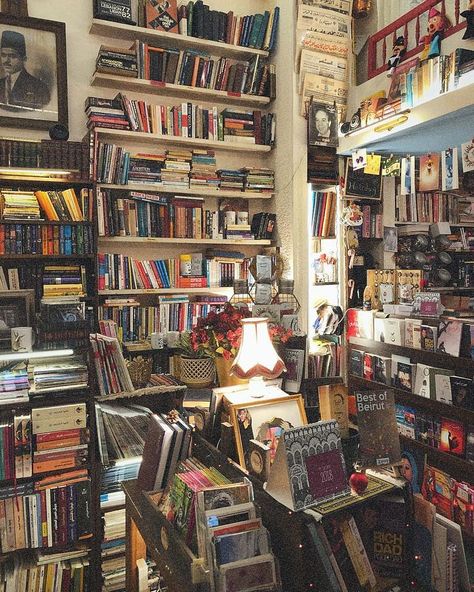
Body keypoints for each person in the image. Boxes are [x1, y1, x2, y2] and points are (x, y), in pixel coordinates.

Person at [0, 30, 50, 111]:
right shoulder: (1, 83)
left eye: (12, 56)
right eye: (3, 55)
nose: (6, 60)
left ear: (24, 59)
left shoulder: (39, 87)